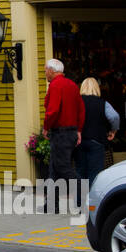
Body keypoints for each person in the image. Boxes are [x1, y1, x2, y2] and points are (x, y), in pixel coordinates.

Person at [42, 58, 84, 214]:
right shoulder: (72, 85)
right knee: (54, 168)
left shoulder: (55, 85)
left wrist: (46, 127)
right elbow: (81, 109)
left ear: (52, 71)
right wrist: (78, 130)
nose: (45, 73)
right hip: (71, 131)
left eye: (46, 70)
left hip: (61, 132)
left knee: (62, 167)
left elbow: (52, 110)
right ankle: (51, 204)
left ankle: (82, 195)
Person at [77, 77, 119, 189]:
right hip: (97, 140)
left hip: (79, 142)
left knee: (79, 172)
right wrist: (113, 131)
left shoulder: (76, 102)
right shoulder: (103, 103)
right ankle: (92, 201)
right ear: (97, 88)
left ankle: (79, 203)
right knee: (95, 174)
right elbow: (114, 117)